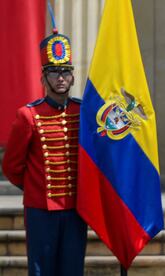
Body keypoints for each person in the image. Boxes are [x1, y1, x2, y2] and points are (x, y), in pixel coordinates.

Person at [2, 27, 87, 276]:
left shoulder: (84, 112)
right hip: (41, 210)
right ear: (43, 78)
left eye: (65, 72)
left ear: (72, 77)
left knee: (72, 269)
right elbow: (11, 167)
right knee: (41, 270)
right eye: (53, 72)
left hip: (75, 209)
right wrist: (36, 186)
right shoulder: (28, 115)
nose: (60, 78)